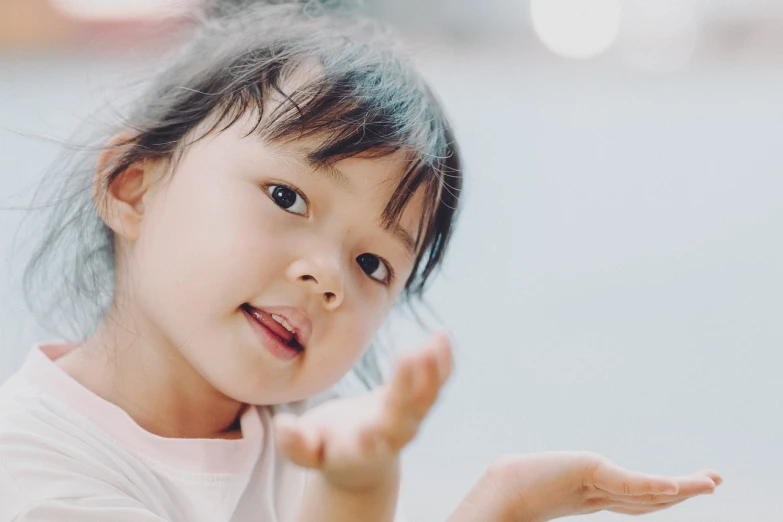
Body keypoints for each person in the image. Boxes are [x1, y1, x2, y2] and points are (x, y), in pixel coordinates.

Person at [0, 2, 721, 521]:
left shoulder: (307, 431)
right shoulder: (30, 468)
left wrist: (495, 507)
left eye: (374, 265)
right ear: (133, 186)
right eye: (286, 196)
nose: (327, 277)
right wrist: (356, 490)